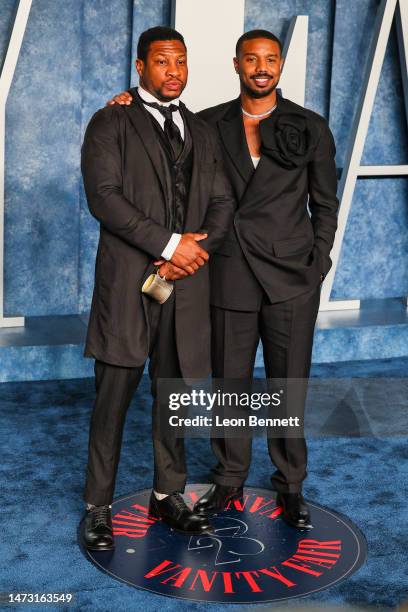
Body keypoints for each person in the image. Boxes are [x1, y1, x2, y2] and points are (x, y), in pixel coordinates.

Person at [108, 29, 339, 529]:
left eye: (270, 59)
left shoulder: (311, 126)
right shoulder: (206, 124)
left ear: (280, 65)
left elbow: (325, 204)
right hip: (228, 272)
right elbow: (166, 157)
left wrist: (316, 264)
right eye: (251, 59)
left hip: (291, 278)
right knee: (230, 386)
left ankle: (290, 485)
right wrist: (126, 104)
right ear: (235, 64)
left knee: (286, 385)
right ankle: (230, 477)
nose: (262, 67)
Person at [81, 26, 235, 550]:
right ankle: (98, 506)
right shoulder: (110, 121)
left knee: (173, 395)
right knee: (113, 399)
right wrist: (170, 244)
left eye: (182, 62)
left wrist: (192, 252)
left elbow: (221, 202)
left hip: (184, 285)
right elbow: (104, 198)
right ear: (141, 66)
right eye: (163, 62)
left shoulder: (203, 129)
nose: (174, 72)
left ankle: (168, 493)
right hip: (129, 284)